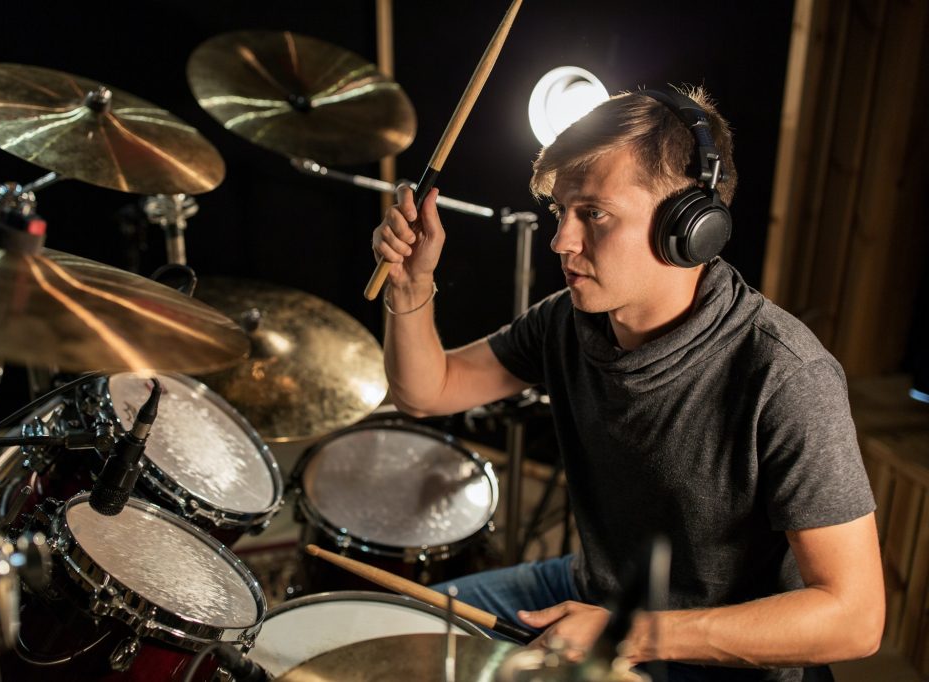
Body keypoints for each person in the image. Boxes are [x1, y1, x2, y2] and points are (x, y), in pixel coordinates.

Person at [370, 86, 884, 682]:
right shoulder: (568, 320)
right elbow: (428, 391)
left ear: (691, 226)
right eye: (559, 212)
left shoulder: (786, 375)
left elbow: (855, 618)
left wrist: (632, 634)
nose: (561, 241)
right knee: (387, 640)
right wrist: (410, 289)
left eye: (593, 214)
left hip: (722, 658)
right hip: (590, 593)